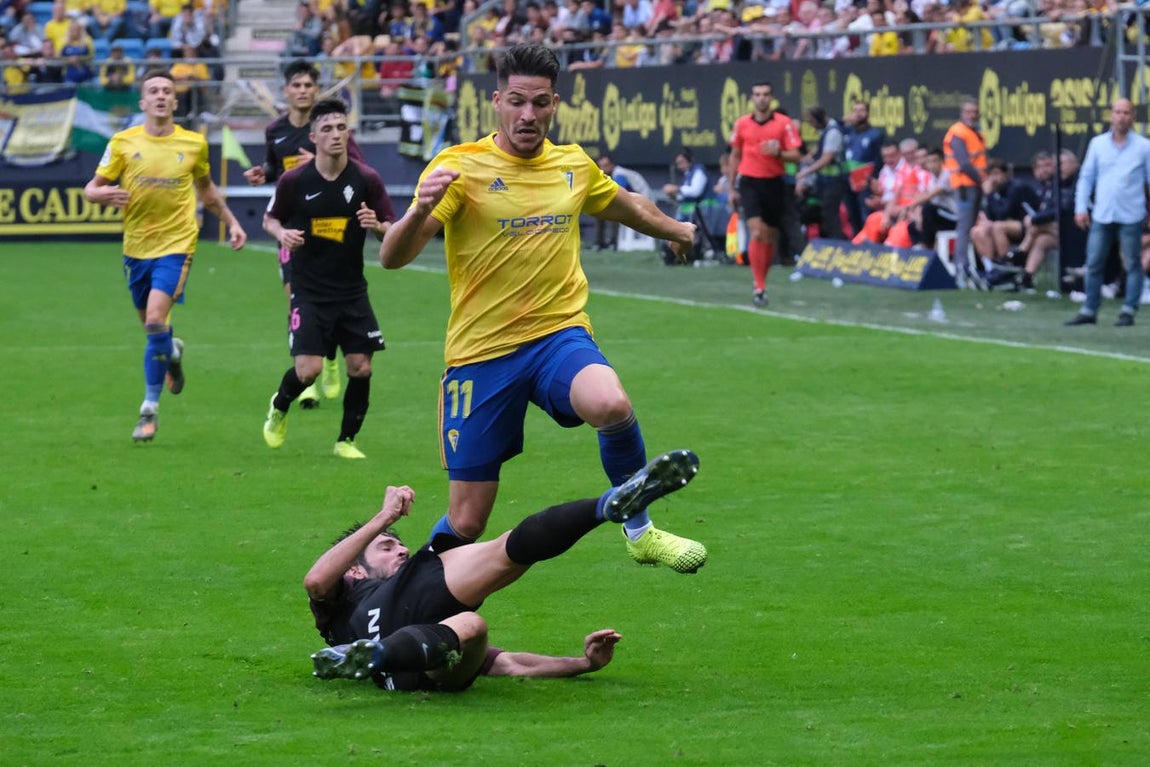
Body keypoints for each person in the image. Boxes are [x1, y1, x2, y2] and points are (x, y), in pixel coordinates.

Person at [379, 43, 706, 574]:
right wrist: (418, 210)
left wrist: (677, 230)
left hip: (558, 336)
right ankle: (405, 596)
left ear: (555, 104)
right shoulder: (459, 167)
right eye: (516, 102)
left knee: (611, 404)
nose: (528, 115)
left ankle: (640, 531)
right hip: (483, 352)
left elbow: (626, 204)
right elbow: (394, 257)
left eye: (540, 103)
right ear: (496, 102)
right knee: (468, 521)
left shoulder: (573, 165)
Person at [305, 449, 699, 691]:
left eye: (398, 541)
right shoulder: (340, 608)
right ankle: (382, 654)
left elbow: (511, 664)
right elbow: (317, 580)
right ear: (354, 571)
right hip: (421, 673)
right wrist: (383, 517)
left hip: (425, 622)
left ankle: (608, 506)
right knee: (471, 624)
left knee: (505, 552)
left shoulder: (411, 572)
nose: (401, 547)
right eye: (387, 546)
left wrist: (583, 664)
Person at [83, 68, 247, 442]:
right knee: (152, 329)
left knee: (156, 317)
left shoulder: (193, 144)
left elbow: (206, 191)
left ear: (175, 101)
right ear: (142, 102)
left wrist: (233, 222)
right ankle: (171, 352)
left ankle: (148, 410)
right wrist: (101, 194)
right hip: (136, 248)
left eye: (167, 91)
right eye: (153, 90)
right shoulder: (123, 142)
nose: (160, 96)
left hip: (177, 245)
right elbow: (91, 189)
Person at [261, 98, 395, 459]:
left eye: (341, 128)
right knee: (308, 371)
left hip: (352, 290)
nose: (335, 135)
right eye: (327, 129)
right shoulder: (295, 180)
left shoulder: (367, 179)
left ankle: (345, 441)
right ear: (314, 136)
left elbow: (391, 230)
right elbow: (269, 219)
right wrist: (282, 235)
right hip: (308, 290)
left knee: (361, 367)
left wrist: (378, 226)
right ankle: (279, 405)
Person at [244, 60, 366, 408]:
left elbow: (360, 167)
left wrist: (317, 159)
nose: (302, 91)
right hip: (294, 227)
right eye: (296, 85)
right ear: (286, 91)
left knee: (334, 298)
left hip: (332, 227)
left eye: (308, 86)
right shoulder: (275, 131)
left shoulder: (331, 131)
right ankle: (309, 378)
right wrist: (262, 173)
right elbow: (276, 168)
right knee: (297, 300)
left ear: (316, 90)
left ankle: (330, 361)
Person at [1066, 98, 1150, 327]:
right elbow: (1086, 178)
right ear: (1111, 115)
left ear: (1132, 117)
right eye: (1117, 112)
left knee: (1132, 263)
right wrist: (1081, 207)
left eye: (1126, 112)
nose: (1121, 117)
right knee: (1093, 262)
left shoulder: (1143, 147)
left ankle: (1128, 310)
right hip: (1103, 212)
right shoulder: (1098, 144)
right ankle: (1089, 309)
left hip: (1131, 213)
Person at [727, 81, 802, 307]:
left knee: (769, 236)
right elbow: (735, 155)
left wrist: (779, 152)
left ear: (772, 98)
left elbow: (796, 155)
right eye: (757, 94)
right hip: (749, 181)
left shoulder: (783, 123)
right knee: (757, 231)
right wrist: (732, 186)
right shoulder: (742, 124)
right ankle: (759, 286)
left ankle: (762, 279)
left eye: (766, 94)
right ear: (752, 98)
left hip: (774, 182)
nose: (761, 98)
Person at [943, 99, 988, 289]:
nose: (972, 115)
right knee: (964, 228)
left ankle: (972, 268)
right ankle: (962, 267)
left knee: (970, 228)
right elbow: (964, 163)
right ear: (962, 113)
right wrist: (982, 181)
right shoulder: (958, 132)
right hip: (964, 186)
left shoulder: (974, 133)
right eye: (969, 112)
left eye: (975, 112)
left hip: (973, 186)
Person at [795, 105, 847, 240]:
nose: (811, 126)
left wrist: (805, 173)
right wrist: (809, 157)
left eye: (812, 122)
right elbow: (820, 149)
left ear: (819, 119)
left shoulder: (833, 132)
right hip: (824, 180)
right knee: (823, 215)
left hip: (834, 180)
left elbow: (826, 159)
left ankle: (838, 245)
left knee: (831, 215)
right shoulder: (826, 130)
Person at [593, 152, 651, 251]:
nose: (603, 169)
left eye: (606, 166)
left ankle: (614, 243)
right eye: (601, 166)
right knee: (600, 212)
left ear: (612, 165)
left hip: (643, 200)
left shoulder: (619, 174)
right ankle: (600, 243)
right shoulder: (607, 175)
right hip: (632, 199)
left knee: (614, 212)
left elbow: (618, 192)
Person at [843, 100, 885, 236]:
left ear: (867, 113)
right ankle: (857, 245)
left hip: (866, 182)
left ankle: (869, 245)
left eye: (861, 111)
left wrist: (871, 179)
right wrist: (845, 120)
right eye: (855, 111)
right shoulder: (848, 132)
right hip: (848, 181)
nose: (858, 114)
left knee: (866, 216)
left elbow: (879, 160)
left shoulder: (876, 134)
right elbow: (832, 126)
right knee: (851, 216)